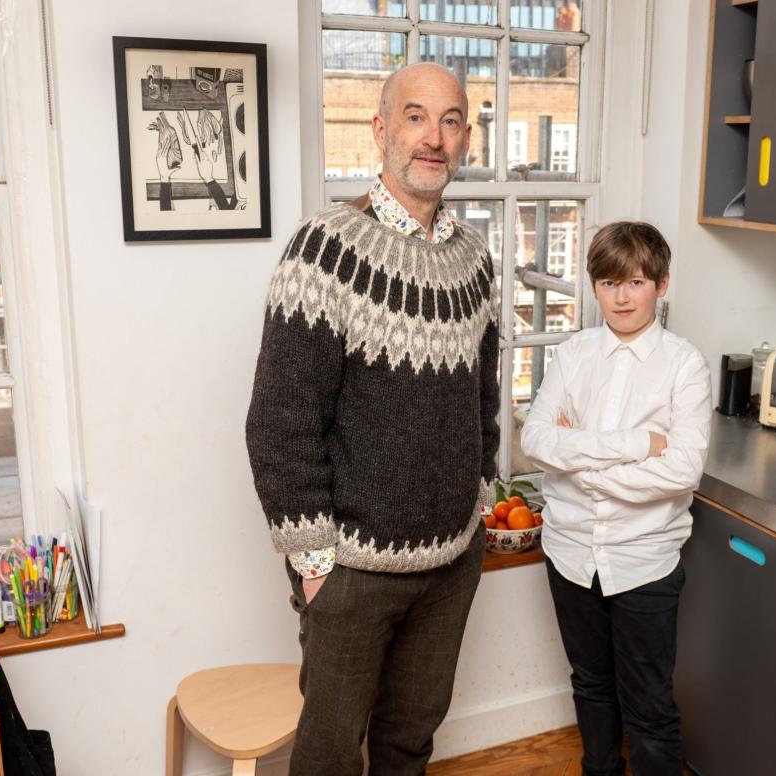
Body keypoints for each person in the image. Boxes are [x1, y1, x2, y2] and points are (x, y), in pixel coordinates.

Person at [245, 63, 499, 776]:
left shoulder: (475, 260)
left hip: (451, 564)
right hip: (352, 569)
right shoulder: (325, 249)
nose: (434, 138)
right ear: (381, 130)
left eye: (450, 121)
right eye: (415, 117)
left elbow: (483, 395)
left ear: (466, 140)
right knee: (328, 756)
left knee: (408, 745)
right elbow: (279, 420)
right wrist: (316, 563)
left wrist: (479, 500)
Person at [520, 221, 712, 775]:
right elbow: (534, 439)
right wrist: (634, 447)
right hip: (570, 554)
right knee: (591, 687)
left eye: (634, 282)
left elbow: (681, 471)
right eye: (607, 283)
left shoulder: (684, 366)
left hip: (643, 562)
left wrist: (577, 462)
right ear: (593, 287)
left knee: (649, 706)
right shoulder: (574, 353)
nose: (621, 297)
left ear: (662, 283)